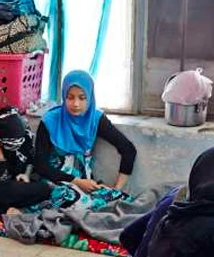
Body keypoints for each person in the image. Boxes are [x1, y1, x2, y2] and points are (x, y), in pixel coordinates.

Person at [30, 70, 137, 212]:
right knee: (69, 199)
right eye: (70, 97)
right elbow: (40, 165)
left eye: (82, 98)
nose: (76, 104)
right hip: (56, 183)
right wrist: (76, 181)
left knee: (122, 201)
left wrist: (116, 189)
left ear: (90, 97)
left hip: (87, 185)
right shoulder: (50, 120)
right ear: (64, 96)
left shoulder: (95, 119)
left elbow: (128, 149)